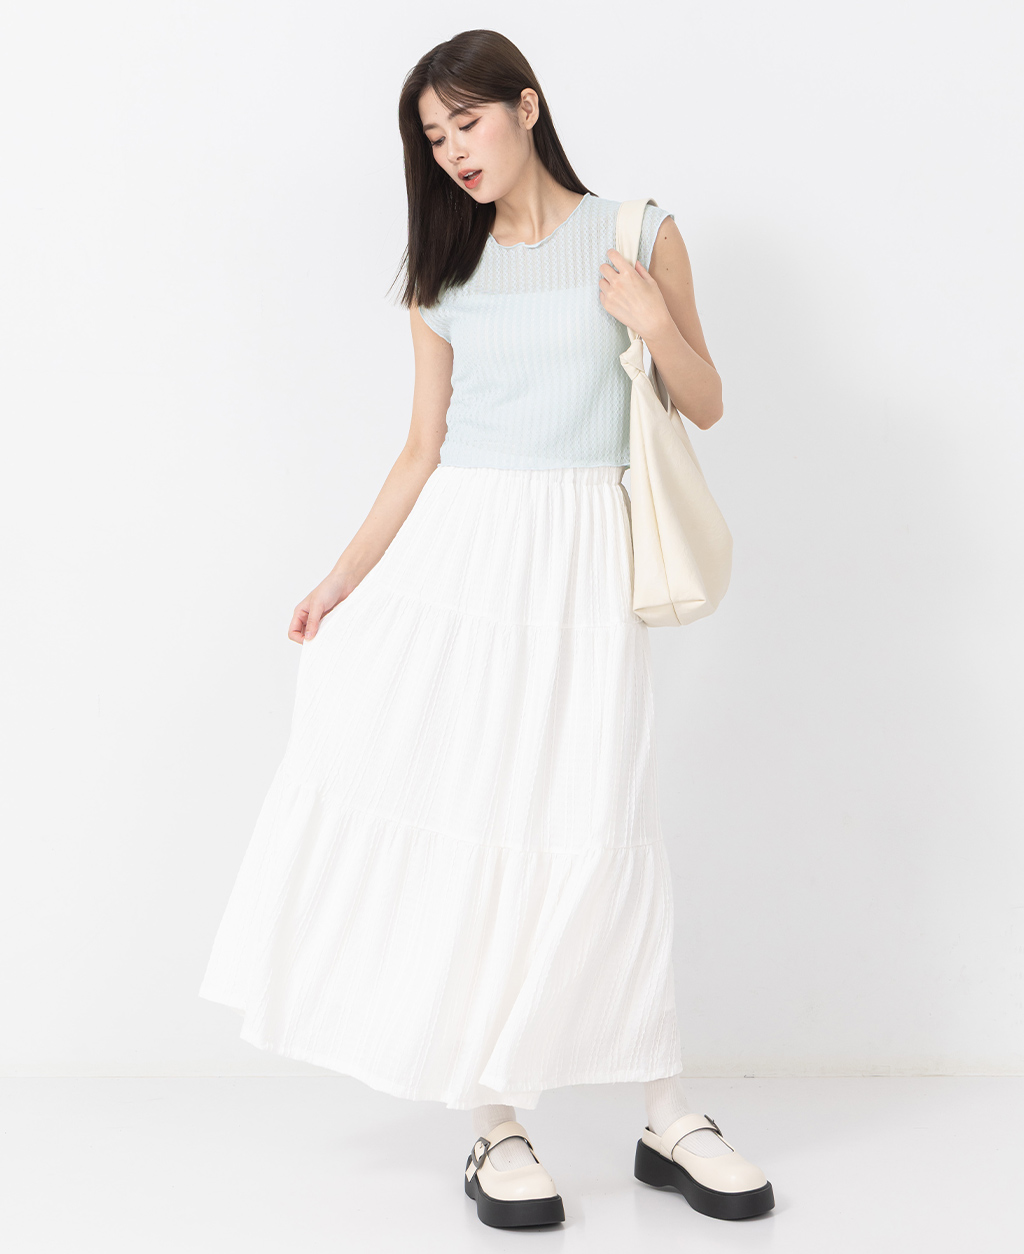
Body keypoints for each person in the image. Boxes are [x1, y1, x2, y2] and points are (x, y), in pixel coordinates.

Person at [199, 28, 775, 1230]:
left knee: (601, 817)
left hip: (583, 561)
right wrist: (341, 580)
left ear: (526, 106)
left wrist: (650, 320)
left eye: (466, 122)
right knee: (473, 820)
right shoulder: (443, 271)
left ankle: (666, 1112)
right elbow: (422, 450)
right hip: (461, 564)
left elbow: (708, 402)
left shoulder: (637, 233)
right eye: (432, 137)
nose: (452, 150)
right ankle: (493, 1120)